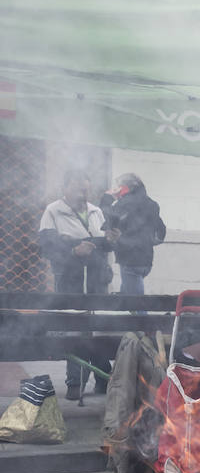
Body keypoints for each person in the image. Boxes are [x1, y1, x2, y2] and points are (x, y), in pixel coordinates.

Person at [38, 169, 112, 399]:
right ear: (65, 189)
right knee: (75, 327)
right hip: (70, 279)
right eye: (78, 188)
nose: (83, 193)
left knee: (97, 326)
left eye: (86, 189)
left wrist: (110, 241)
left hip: (96, 280)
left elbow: (104, 246)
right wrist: (73, 251)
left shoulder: (96, 211)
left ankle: (102, 379)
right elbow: (45, 247)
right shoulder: (53, 211)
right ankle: (75, 383)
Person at [100, 173, 166, 295]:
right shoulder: (152, 204)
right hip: (146, 261)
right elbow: (161, 232)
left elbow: (107, 218)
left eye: (119, 186)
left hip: (130, 260)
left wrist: (107, 199)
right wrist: (146, 242)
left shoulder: (125, 203)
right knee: (125, 299)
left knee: (136, 304)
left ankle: (142, 314)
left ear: (126, 187)